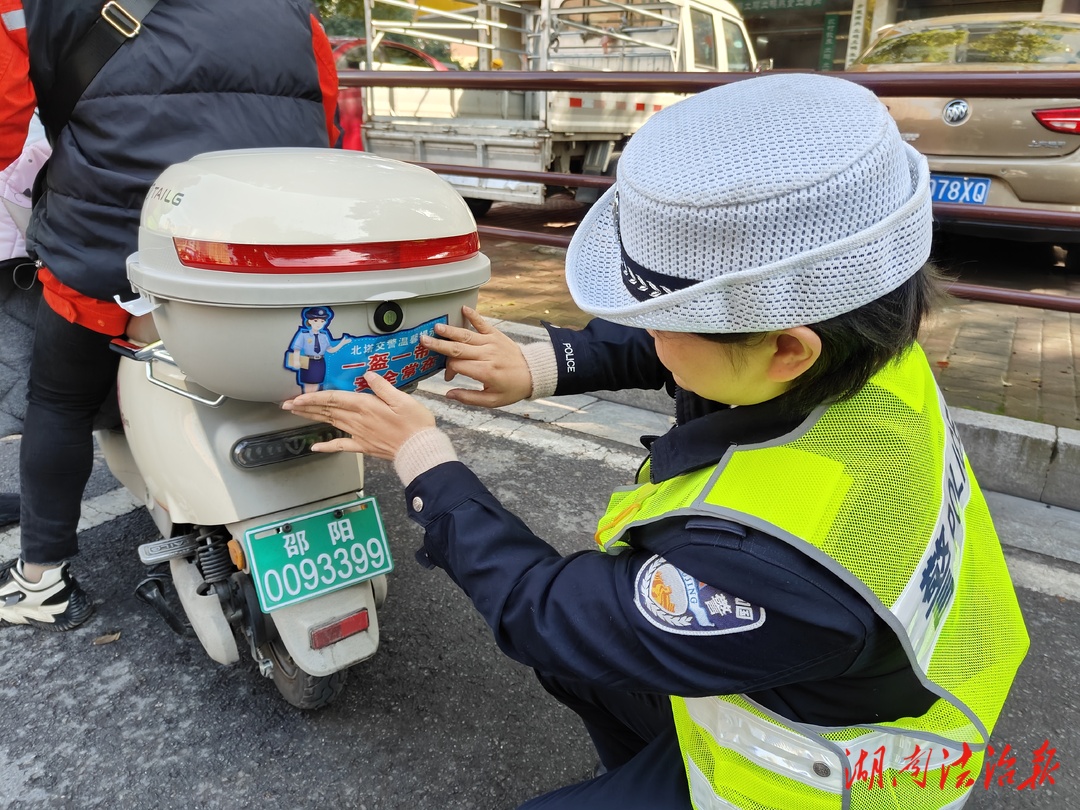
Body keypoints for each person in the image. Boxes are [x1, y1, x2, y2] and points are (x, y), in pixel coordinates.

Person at [283, 73, 1029, 809]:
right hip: (813, 682)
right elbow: (711, 353)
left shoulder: (761, 568)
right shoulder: (870, 349)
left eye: (665, 316)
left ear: (786, 349)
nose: (650, 332)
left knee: (573, 653)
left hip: (819, 779)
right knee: (589, 668)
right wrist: (542, 364)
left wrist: (424, 460)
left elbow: (543, 611)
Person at [0, 0, 341, 631]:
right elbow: (330, 126)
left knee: (61, 399)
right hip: (265, 254)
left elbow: (4, 131)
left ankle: (41, 582)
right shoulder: (293, 6)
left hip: (114, 255)